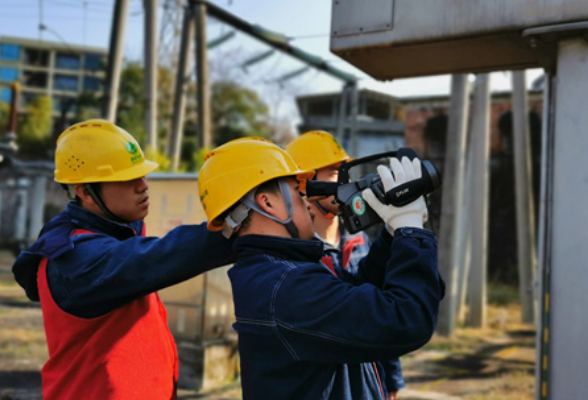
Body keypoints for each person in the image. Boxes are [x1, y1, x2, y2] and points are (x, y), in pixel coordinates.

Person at [198, 137, 444, 400]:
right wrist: (411, 229)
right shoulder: (285, 286)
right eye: (297, 190)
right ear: (267, 203)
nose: (308, 201)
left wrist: (393, 235)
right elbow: (406, 319)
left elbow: (359, 293)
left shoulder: (277, 272)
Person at [11, 119, 235, 400]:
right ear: (85, 192)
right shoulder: (74, 258)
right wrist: (240, 226)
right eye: (127, 179)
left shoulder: (116, 230)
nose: (143, 186)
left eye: (141, 175)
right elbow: (162, 256)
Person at [286, 130, 405, 400]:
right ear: (304, 183)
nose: (346, 180)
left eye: (346, 170)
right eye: (333, 171)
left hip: (369, 382)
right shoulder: (295, 255)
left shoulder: (360, 239)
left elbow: (381, 304)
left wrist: (391, 377)